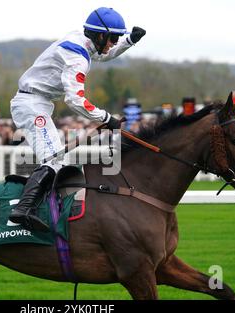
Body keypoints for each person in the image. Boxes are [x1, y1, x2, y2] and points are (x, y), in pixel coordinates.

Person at [8, 7, 146, 232]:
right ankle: (23, 209)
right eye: (113, 37)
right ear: (100, 35)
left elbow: (105, 54)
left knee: (57, 159)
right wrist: (106, 117)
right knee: (54, 159)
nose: (114, 42)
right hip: (31, 105)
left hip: (37, 102)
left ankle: (39, 205)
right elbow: (75, 100)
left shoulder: (85, 40)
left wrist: (129, 41)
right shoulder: (76, 58)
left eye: (117, 38)